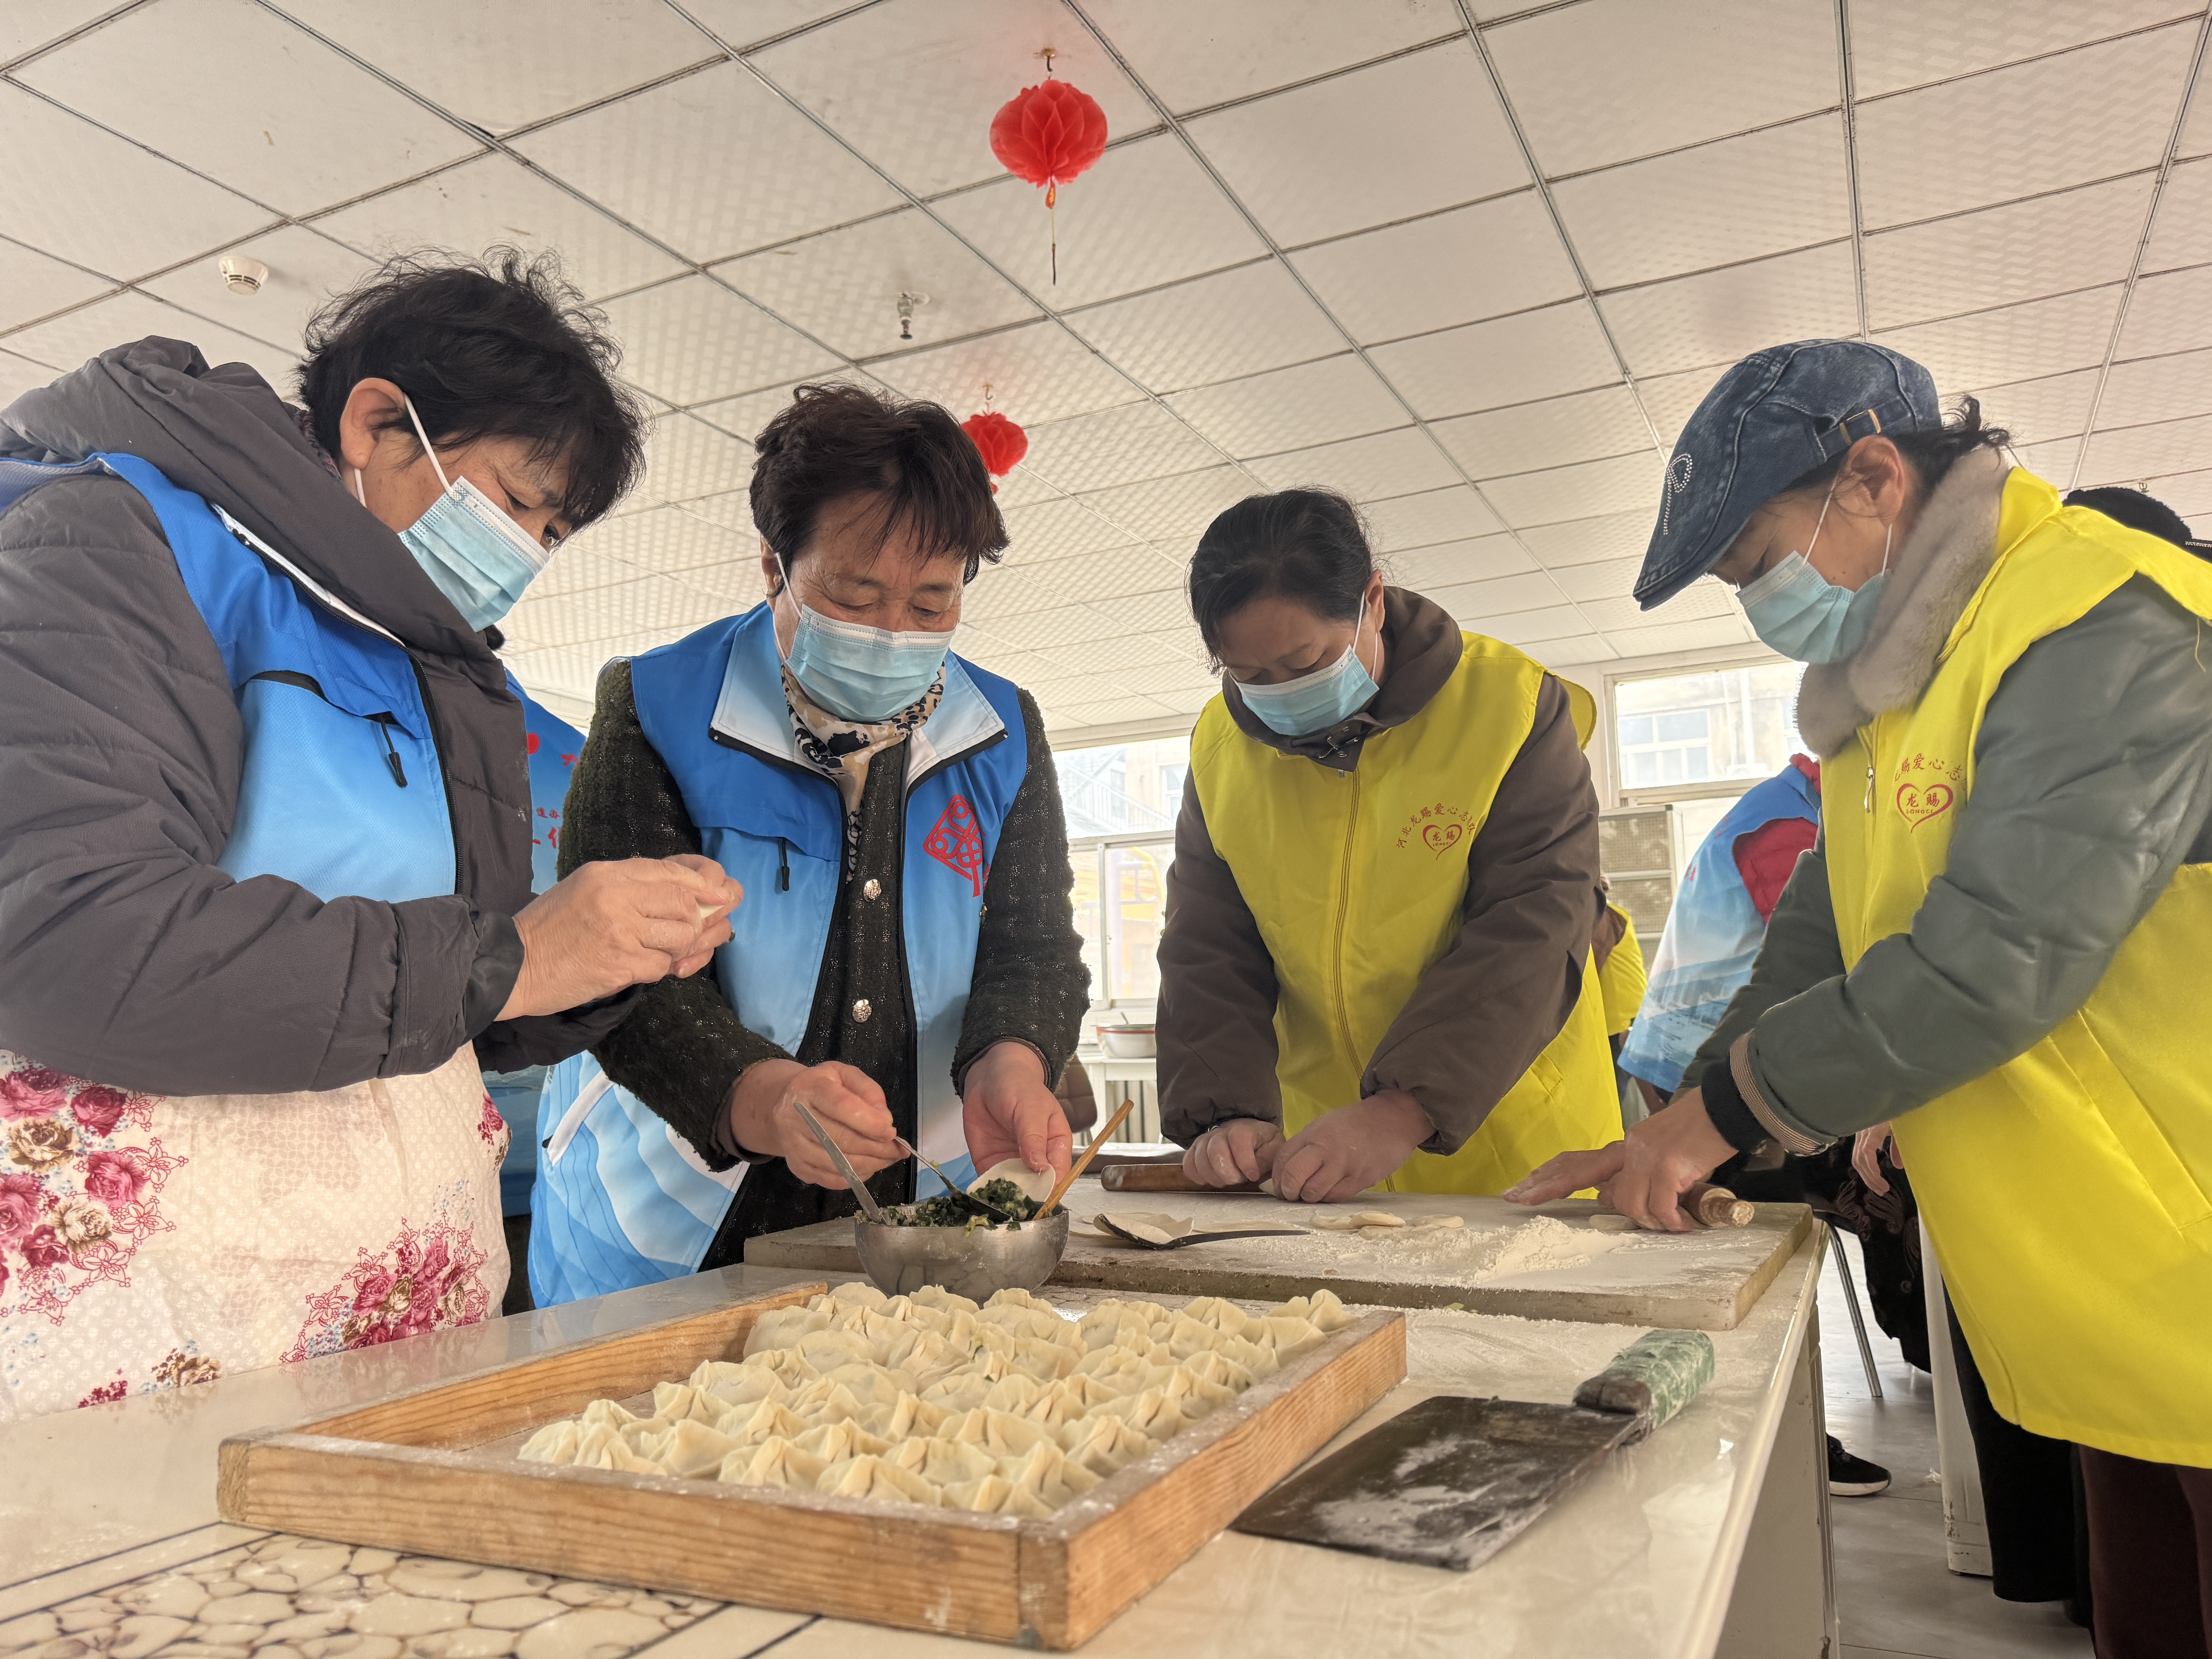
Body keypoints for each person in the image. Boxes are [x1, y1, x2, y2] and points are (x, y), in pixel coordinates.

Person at [1508, 339, 2212, 1657]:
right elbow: (1818, 943)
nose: (1760, 605)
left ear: (1877, 476)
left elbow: (1996, 956)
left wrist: (1722, 1114)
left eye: (1759, 564)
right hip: (2115, 1299)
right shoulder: (1897, 689)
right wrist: (1690, 1126)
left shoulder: (2100, 615)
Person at [0, 251, 738, 1418]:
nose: (525, 552)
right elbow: (77, 940)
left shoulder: (434, 663)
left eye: (551, 530)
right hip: (172, 1320)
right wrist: (514, 958)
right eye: (515, 501)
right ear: (378, 423)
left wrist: (586, 964)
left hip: (385, 1315)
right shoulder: (116, 540)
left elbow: (436, 998)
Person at [530, 384, 1090, 1304]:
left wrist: (1012, 1061)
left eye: (931, 603)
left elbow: (1032, 947)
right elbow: (619, 978)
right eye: (853, 595)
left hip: (919, 1205)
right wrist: (762, 1096)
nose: (891, 632)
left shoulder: (1002, 731)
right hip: (675, 1215)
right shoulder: (659, 708)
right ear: (773, 565)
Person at [1159, 488, 1620, 1200]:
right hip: (1322, 1154)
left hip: (1513, 1140)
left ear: (1371, 601)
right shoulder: (1220, 748)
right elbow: (1209, 942)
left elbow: (1537, 919)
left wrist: (1404, 1108)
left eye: (1306, 662)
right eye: (1249, 677)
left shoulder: (1509, 704)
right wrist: (1227, 1111)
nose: (1282, 694)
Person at [1616, 754, 1898, 1499]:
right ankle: (1788, 1440)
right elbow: (1820, 975)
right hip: (1721, 1065)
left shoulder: (1780, 805)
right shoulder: (1788, 826)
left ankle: (1772, 1429)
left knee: (1743, 1248)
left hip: (1709, 1057)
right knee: (1755, 1257)